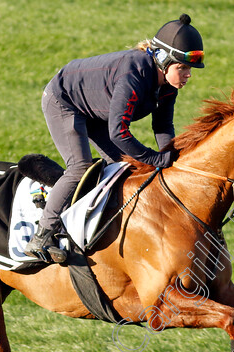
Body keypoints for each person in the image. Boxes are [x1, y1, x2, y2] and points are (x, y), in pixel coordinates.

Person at [25, 13, 205, 263]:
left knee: (122, 169)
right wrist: (155, 159)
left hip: (98, 111)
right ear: (163, 61)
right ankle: (42, 234)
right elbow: (119, 132)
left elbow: (163, 126)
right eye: (183, 67)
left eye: (190, 69)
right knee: (80, 167)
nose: (188, 75)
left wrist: (173, 158)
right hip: (64, 101)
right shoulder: (135, 73)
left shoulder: (167, 86)